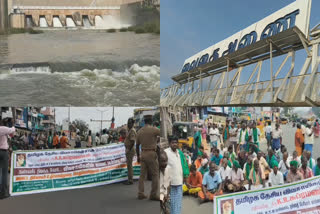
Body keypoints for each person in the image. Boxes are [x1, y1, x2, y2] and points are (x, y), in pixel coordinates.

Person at [136, 115, 160, 201]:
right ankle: (153, 194)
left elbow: (137, 145)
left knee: (142, 175)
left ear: (144, 121)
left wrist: (138, 156)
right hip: (151, 154)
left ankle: (140, 193)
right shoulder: (154, 129)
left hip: (143, 154)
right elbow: (163, 134)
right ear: (152, 121)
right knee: (155, 175)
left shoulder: (139, 131)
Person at [164, 136, 183, 213]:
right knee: (173, 204)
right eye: (173, 143)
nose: (175, 144)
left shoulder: (178, 152)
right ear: (169, 143)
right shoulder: (166, 152)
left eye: (176, 142)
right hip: (171, 183)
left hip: (179, 182)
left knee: (178, 204)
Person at [0, 124, 15, 199]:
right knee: (4, 173)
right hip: (3, 152)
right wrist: (12, 125)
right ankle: (3, 193)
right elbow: (12, 130)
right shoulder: (2, 128)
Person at [124, 118, 136, 185]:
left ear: (132, 123)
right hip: (129, 149)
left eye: (130, 123)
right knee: (129, 165)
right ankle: (130, 179)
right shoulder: (129, 130)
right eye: (128, 123)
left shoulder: (132, 131)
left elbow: (132, 141)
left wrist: (128, 149)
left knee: (129, 165)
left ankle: (130, 180)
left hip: (130, 149)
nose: (128, 124)